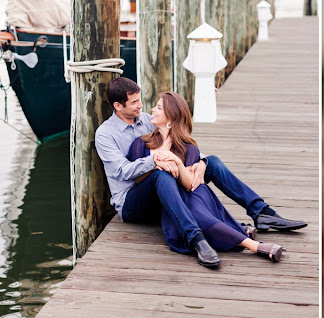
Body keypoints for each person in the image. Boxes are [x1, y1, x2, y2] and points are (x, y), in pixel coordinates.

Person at [95, 77, 306, 268]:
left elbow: (176, 140)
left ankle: (262, 213)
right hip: (133, 201)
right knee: (161, 174)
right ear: (118, 106)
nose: (141, 105)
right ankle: (196, 238)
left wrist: (201, 161)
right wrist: (157, 159)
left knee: (212, 161)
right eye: (134, 103)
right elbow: (122, 171)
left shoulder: (144, 120)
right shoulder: (106, 134)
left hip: (164, 190)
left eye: (140, 100)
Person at [127, 91, 285, 262]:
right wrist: (157, 164)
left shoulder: (188, 148)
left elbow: (189, 186)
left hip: (173, 202)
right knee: (163, 176)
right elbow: (138, 179)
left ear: (171, 117)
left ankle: (245, 242)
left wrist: (178, 164)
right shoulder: (141, 142)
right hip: (143, 202)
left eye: (158, 107)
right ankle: (233, 235)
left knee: (195, 203)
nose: (152, 110)